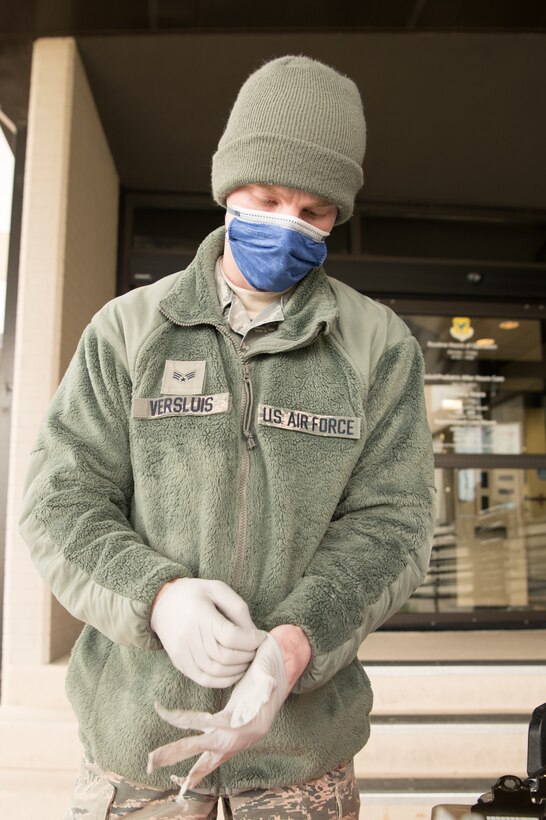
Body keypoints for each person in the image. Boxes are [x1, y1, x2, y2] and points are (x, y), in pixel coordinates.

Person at [20, 55, 436, 819]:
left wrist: (296, 645)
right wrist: (158, 599)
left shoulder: (377, 346)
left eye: (314, 213)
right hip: (135, 752)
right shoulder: (129, 330)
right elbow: (60, 499)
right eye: (268, 197)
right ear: (226, 191)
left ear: (338, 217)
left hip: (299, 756)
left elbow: (394, 524)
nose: (288, 223)